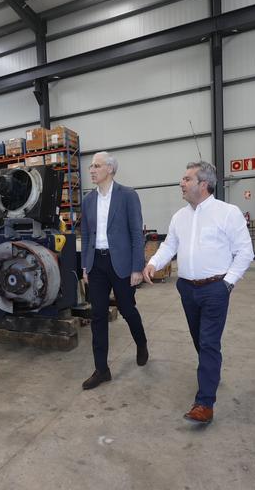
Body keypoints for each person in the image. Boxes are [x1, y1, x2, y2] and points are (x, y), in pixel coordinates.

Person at [143, 161, 254, 424]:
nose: (181, 183)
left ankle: (204, 403)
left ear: (203, 185)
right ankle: (212, 373)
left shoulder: (228, 213)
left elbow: (245, 252)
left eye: (186, 179)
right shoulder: (180, 216)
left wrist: (228, 283)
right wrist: (153, 263)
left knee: (207, 342)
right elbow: (169, 245)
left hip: (216, 288)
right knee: (199, 339)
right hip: (187, 289)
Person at [80, 151, 148, 390]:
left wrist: (137, 267)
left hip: (120, 263)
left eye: (96, 166)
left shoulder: (128, 196)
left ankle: (141, 343)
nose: (91, 170)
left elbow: (136, 234)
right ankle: (102, 369)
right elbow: (86, 234)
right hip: (97, 264)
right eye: (91, 166)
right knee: (97, 315)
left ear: (109, 169)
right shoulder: (88, 200)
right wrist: (85, 265)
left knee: (128, 309)